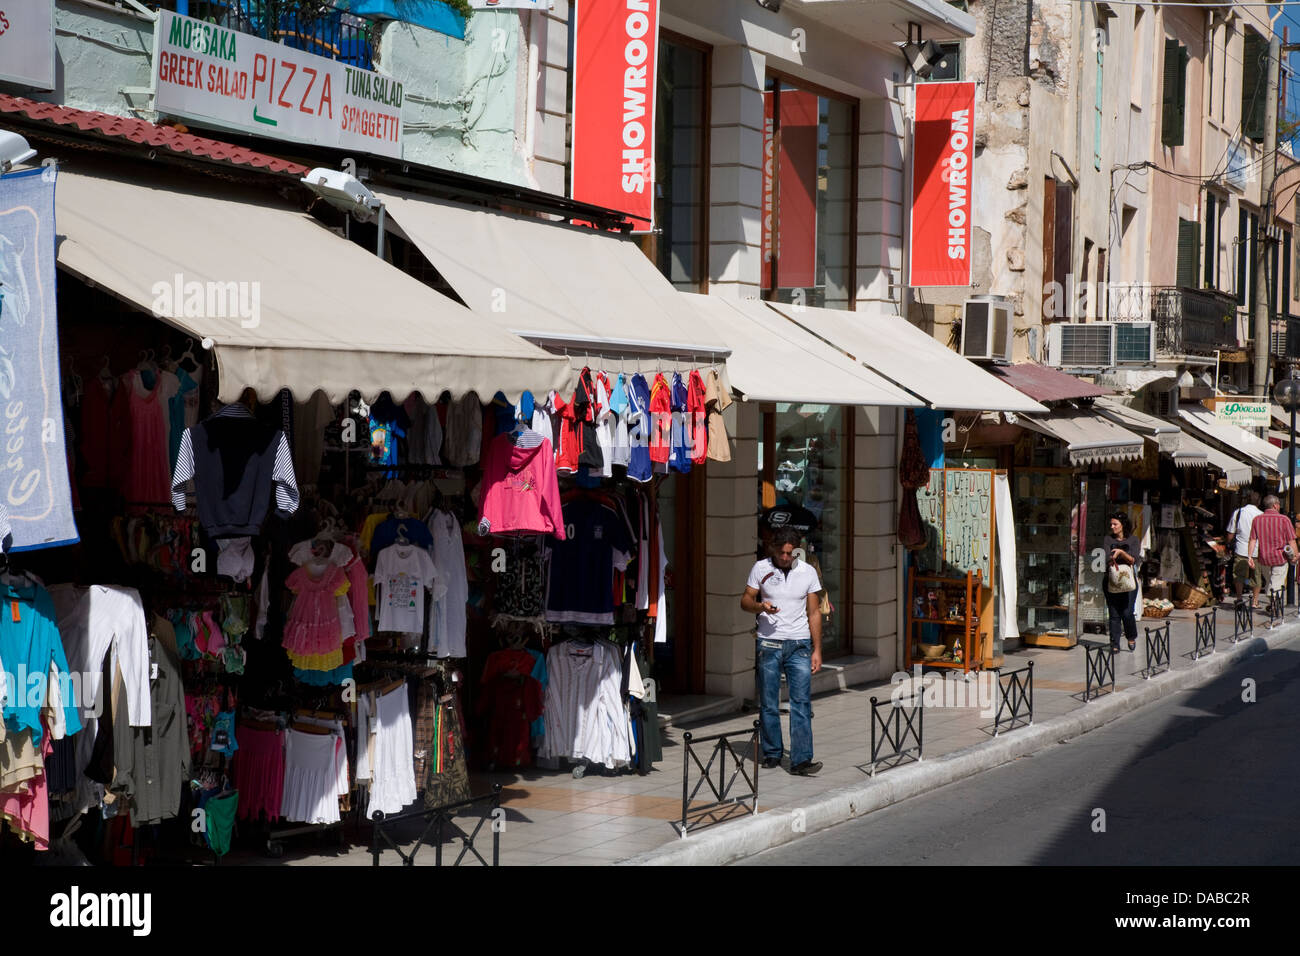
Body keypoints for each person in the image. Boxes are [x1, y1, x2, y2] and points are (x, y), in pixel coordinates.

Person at [741, 527, 823, 775]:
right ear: (773, 549)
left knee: (801, 702)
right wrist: (760, 606)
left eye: (790, 553)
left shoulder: (808, 572)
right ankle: (772, 752)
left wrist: (817, 649)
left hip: (799, 643)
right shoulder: (760, 568)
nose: (786, 558)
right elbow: (745, 601)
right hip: (769, 643)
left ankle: (801, 759)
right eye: (782, 553)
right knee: (768, 701)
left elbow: (814, 612)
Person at [1102, 512, 1142, 652]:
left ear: (1123, 525)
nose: (1112, 526)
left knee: (1127, 612)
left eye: (1115, 524)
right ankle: (1114, 644)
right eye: (1111, 524)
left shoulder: (1134, 540)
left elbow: (1134, 560)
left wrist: (1121, 553)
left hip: (1128, 582)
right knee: (1114, 614)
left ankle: (1131, 636)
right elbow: (1106, 557)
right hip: (1111, 580)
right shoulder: (1107, 539)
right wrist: (1114, 557)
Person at [1247, 495, 1300, 598]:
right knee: (1276, 582)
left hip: (1264, 558)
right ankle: (1272, 599)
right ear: (1275, 505)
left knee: (1270, 580)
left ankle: (1272, 600)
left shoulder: (1257, 519)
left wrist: (1249, 556)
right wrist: (1296, 555)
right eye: (1279, 504)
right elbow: (1291, 540)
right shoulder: (1284, 519)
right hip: (1280, 557)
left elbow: (1252, 539)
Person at [1225, 490, 1263, 608]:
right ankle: (1255, 601)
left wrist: (1227, 543)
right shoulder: (1261, 515)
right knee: (1256, 576)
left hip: (1241, 549)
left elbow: (1231, 533)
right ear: (1259, 502)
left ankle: (1239, 598)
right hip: (1256, 551)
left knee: (1238, 575)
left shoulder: (1238, 512)